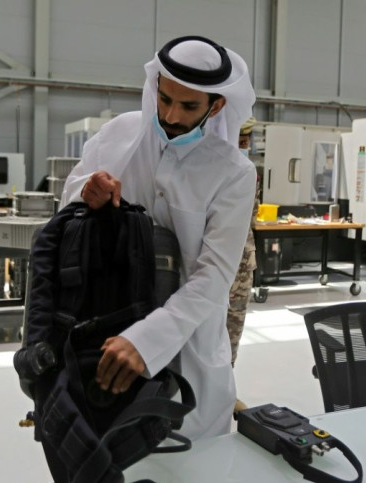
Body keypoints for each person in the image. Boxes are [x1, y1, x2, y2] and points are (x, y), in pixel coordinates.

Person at [61, 36, 256, 440]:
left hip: (188, 344)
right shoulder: (118, 134)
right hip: (103, 325)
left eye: (188, 106)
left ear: (216, 105)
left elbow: (214, 276)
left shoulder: (233, 172)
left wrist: (148, 340)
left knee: (191, 469)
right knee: (103, 458)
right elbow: (66, 212)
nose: (170, 114)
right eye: (164, 98)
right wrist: (86, 193)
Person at [229, 117, 260, 413]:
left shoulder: (250, 174)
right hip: (215, 265)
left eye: (246, 140)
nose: (244, 145)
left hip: (241, 265)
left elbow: (251, 219)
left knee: (233, 333)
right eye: (239, 139)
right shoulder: (213, 170)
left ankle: (226, 391)